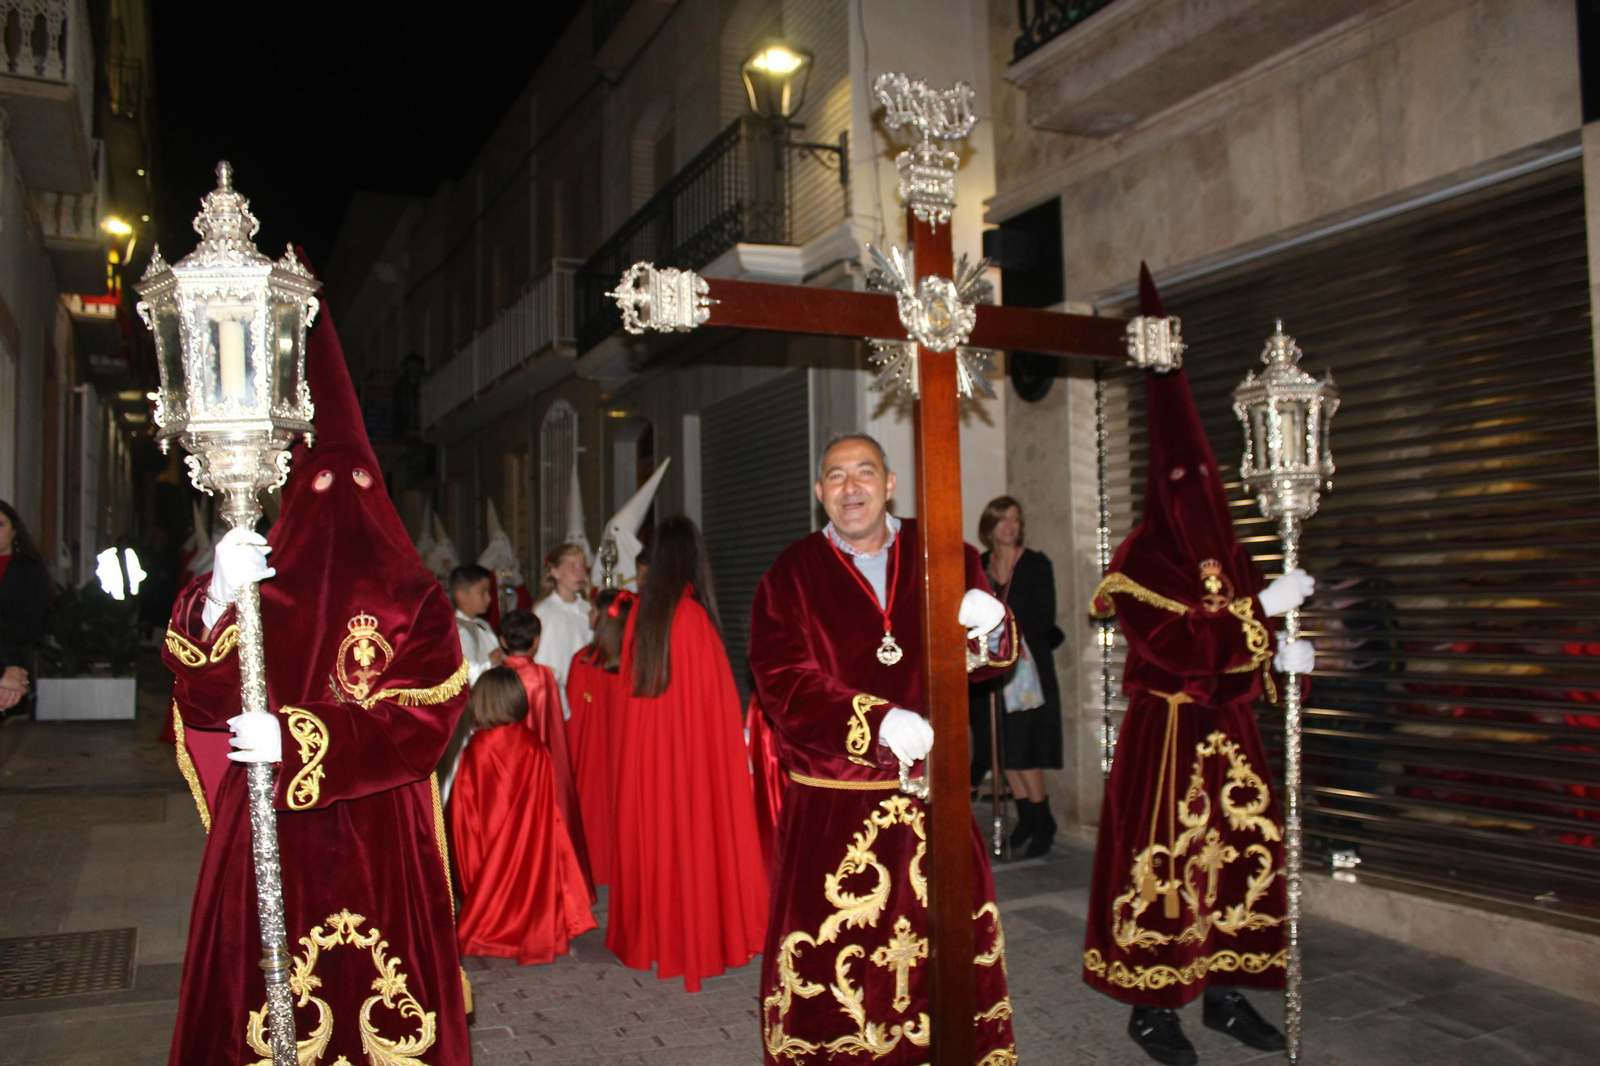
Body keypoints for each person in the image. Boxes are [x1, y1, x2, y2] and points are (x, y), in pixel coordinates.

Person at [161, 300, 470, 1063]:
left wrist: (303, 738)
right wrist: (217, 597)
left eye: (356, 480)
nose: (342, 498)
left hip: (379, 837)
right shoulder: (260, 582)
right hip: (269, 834)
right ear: (295, 491)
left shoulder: (415, 596)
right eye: (322, 482)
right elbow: (200, 695)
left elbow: (424, 720)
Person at [1082, 268, 1315, 1066]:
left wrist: (1293, 658)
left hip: (1234, 740)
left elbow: (1256, 654)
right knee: (1165, 872)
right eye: (1183, 482)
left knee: (1237, 866)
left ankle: (1222, 995)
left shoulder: (1236, 550)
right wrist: (1262, 618)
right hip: (1168, 742)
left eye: (1206, 481)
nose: (1197, 493)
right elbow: (1173, 647)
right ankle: (1154, 1010)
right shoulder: (1141, 557)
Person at [747, 433, 1019, 1064]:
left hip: (936, 801)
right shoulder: (789, 575)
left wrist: (993, 626)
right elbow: (783, 682)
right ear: (819, 493)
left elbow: (985, 662)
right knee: (835, 986)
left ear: (890, 482)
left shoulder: (947, 552)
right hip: (835, 816)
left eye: (864, 472)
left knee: (943, 971)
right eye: (836, 476)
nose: (851, 488)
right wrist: (874, 722)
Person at [606, 515, 768, 992]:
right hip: (692, 765)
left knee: (656, 836)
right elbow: (717, 711)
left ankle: (654, 938)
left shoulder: (642, 616)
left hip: (648, 764)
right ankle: (694, 936)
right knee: (693, 836)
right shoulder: (694, 619)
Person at [450, 666, 596, 964]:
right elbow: (548, 812)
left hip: (487, 853)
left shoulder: (475, 752)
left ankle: (490, 919)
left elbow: (464, 821)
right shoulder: (534, 746)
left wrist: (468, 878)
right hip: (532, 854)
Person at [968, 495, 1064, 857]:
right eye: (1003, 519)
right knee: (1002, 749)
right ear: (989, 526)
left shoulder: (1037, 564)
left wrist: (1007, 630)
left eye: (1016, 519)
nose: (1010, 526)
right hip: (990, 669)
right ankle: (1026, 818)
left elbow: (1044, 616)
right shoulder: (979, 564)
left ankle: (1043, 820)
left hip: (1027, 670)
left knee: (1025, 747)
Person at [500, 608, 592, 893]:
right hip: (544, 761)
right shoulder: (547, 676)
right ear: (537, 641)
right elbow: (563, 713)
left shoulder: (497, 677)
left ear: (502, 641)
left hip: (508, 765)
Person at [564, 588, 634, 886]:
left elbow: (573, 720)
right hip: (628, 754)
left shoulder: (584, 660)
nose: (590, 615)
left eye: (594, 610)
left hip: (592, 757)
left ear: (606, 619)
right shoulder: (638, 662)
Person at [0, 501, 48, 715]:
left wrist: (9, 669)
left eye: (0, 525)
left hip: (14, 659)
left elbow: (31, 623)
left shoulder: (28, 570)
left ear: (14, 531)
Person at [532, 543, 592, 713]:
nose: (579, 573)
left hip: (584, 690)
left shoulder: (587, 609)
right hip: (556, 690)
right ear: (555, 572)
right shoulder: (544, 611)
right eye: (572, 567)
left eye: (582, 567)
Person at [452, 563, 502, 684]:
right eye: (482, 593)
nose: (489, 598)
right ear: (461, 595)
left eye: (489, 592)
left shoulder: (482, 624)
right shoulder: (457, 630)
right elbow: (467, 675)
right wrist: (490, 662)